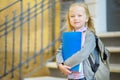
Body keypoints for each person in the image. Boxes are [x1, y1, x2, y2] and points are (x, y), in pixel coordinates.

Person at [56, 2, 110, 80]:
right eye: (72, 16)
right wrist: (60, 65)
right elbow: (60, 51)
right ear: (69, 19)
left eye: (79, 15)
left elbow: (83, 54)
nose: (76, 18)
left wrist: (65, 64)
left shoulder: (89, 35)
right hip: (71, 76)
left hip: (85, 76)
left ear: (86, 18)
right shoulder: (69, 36)